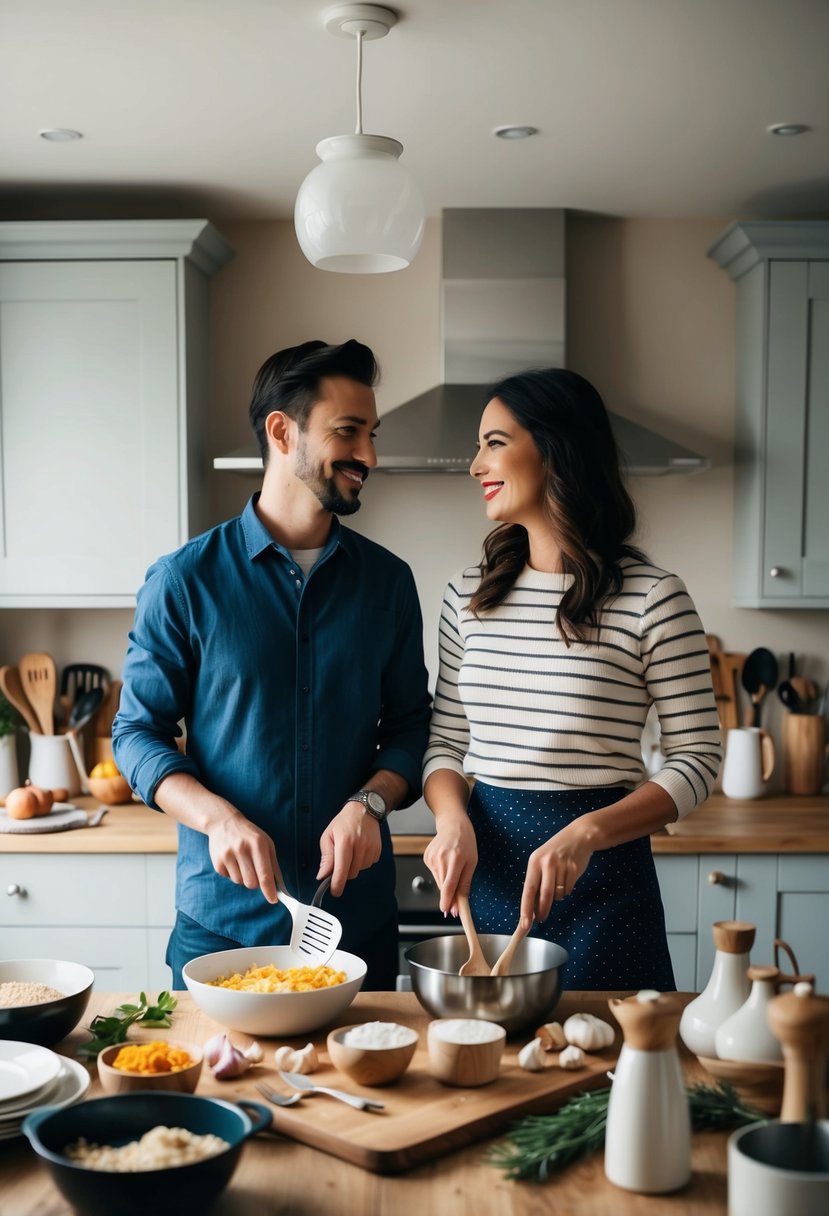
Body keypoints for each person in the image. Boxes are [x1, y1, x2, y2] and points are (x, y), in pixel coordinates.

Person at [113, 339, 431, 991]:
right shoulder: (183, 581)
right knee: (226, 1091)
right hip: (222, 929)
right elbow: (136, 734)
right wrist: (215, 817)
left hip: (356, 927)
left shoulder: (388, 583)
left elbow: (409, 729)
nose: (368, 456)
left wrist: (370, 802)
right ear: (282, 433)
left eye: (372, 434)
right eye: (348, 432)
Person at [422, 367, 722, 991]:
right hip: (493, 880)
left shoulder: (653, 598)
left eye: (494, 442)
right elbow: (446, 743)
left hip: (606, 885)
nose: (476, 465)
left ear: (556, 450)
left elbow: (697, 758)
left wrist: (588, 833)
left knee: (608, 1075)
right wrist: (452, 821)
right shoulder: (466, 597)